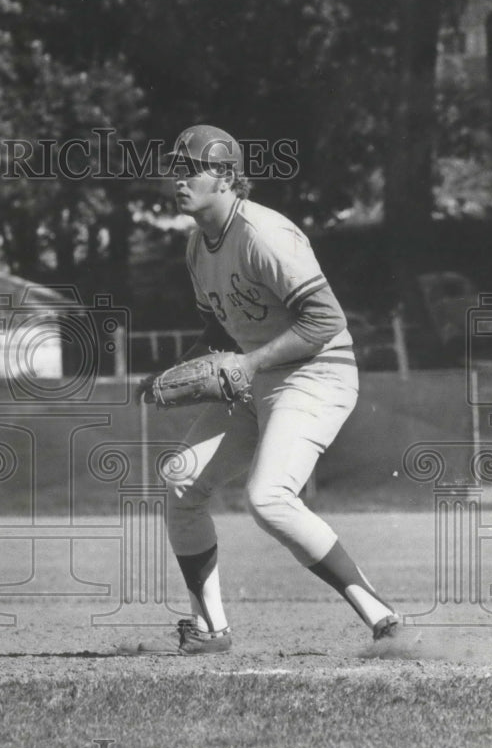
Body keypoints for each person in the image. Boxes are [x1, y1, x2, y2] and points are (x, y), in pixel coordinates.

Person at [138, 125, 400, 654]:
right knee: (181, 482)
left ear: (228, 177)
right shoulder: (197, 246)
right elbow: (220, 328)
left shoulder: (264, 234)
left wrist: (250, 361)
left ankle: (381, 614)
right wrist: (175, 370)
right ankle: (210, 629)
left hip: (317, 373)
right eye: (176, 167)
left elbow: (326, 319)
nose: (179, 178)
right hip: (256, 382)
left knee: (268, 497)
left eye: (191, 168)